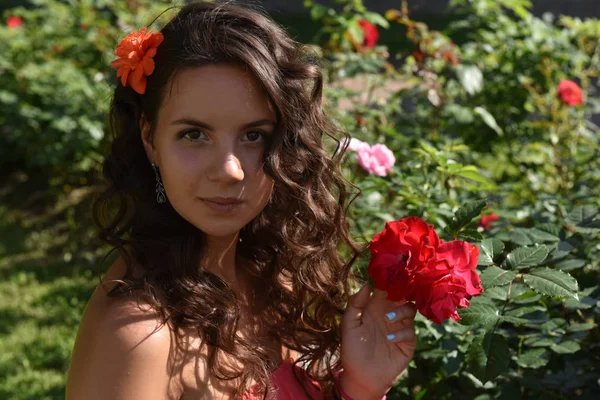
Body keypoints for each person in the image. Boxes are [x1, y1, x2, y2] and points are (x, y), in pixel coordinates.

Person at [65, 1, 417, 399]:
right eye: (194, 134)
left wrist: (360, 387)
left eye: (253, 135)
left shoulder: (271, 276)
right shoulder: (142, 340)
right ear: (150, 140)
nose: (230, 169)